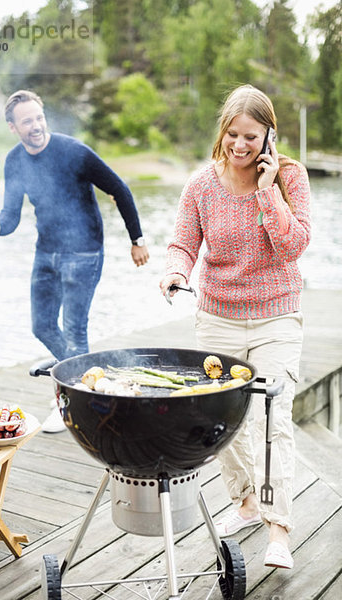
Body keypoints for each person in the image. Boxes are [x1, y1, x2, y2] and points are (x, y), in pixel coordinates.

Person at [160, 84, 311, 569]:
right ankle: (245, 502)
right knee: (221, 419)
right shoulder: (202, 185)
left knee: (272, 417)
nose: (241, 145)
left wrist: (269, 195)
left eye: (252, 136)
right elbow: (184, 242)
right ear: (223, 130)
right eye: (233, 134)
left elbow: (292, 247)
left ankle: (278, 528)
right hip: (218, 319)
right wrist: (176, 271)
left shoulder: (290, 178)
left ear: (269, 135)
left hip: (276, 317)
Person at [0, 90, 149, 432]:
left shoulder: (73, 152)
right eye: (27, 121)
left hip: (84, 252)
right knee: (41, 325)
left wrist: (137, 240)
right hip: (47, 252)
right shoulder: (14, 161)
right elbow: (10, 215)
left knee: (74, 329)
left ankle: (74, 405)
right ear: (13, 127)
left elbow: (119, 189)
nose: (36, 126)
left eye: (39, 118)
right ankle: (81, 380)